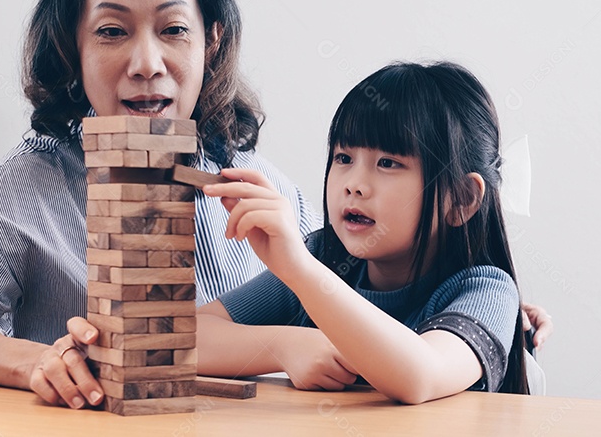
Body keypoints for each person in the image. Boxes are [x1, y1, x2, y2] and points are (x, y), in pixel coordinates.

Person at [0, 0, 551, 409]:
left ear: (211, 42)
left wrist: (474, 313)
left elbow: (352, 303)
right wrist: (31, 362)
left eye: (173, 29)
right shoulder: (24, 186)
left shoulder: (262, 188)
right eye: (111, 31)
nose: (146, 63)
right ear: (70, 49)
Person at [193, 62, 529, 403]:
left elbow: (420, 376)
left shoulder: (487, 291)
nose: (354, 184)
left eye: (388, 163)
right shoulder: (322, 257)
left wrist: (298, 268)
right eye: (343, 157)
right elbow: (182, 339)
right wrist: (284, 345)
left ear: (460, 199)